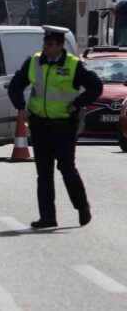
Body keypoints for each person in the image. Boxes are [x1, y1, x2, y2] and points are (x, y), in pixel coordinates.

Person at [8, 25, 103, 229]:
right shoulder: (34, 62)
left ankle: (82, 207)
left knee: (67, 168)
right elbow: (15, 85)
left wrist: (77, 103)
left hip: (64, 127)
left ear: (60, 46)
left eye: (49, 44)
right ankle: (47, 217)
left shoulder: (74, 65)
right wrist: (21, 107)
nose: (45, 46)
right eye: (44, 42)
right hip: (40, 125)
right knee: (44, 173)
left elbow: (96, 86)